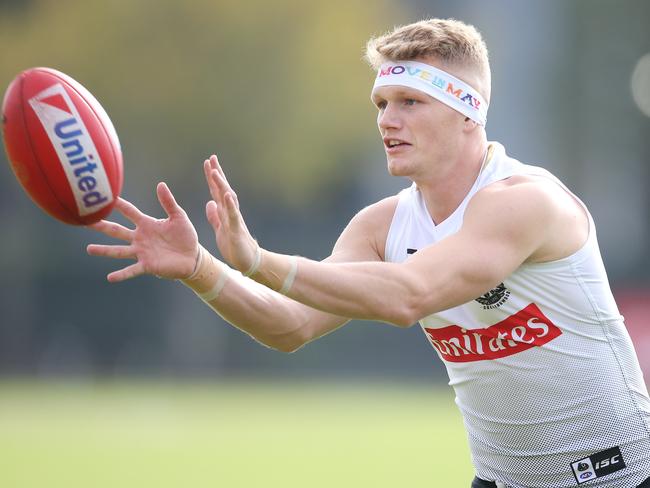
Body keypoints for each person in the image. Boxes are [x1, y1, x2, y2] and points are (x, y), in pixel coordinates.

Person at [87, 18, 650, 488]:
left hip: (617, 475)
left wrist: (257, 259)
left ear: (468, 111)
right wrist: (201, 268)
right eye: (381, 102)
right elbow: (290, 325)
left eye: (410, 101)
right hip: (498, 479)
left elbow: (410, 295)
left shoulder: (523, 201)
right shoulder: (382, 226)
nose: (387, 119)